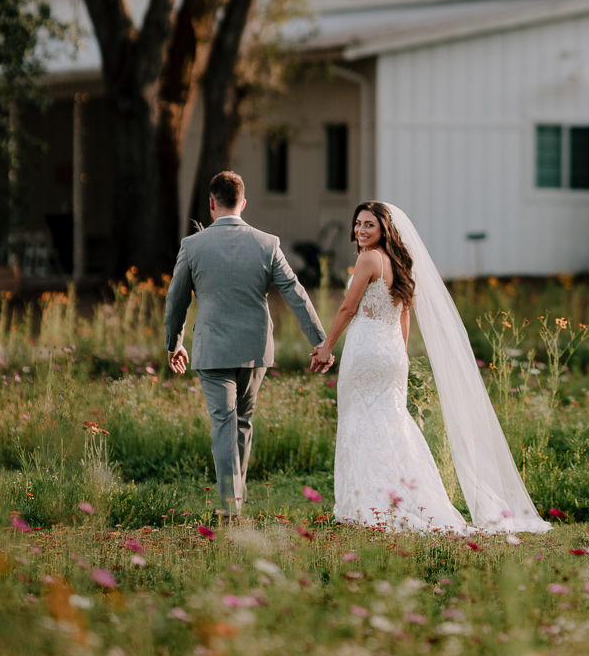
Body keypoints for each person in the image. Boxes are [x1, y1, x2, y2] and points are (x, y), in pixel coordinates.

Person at [311, 201, 548, 534]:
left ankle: (367, 501)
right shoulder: (399, 261)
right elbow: (404, 312)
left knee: (360, 422)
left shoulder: (368, 259)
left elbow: (348, 309)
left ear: (383, 230)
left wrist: (326, 347)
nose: (361, 231)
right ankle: (407, 498)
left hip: (366, 352)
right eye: (358, 224)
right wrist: (402, 354)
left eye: (369, 225)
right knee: (392, 426)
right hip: (391, 353)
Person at [164, 169, 325, 521]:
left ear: (211, 204)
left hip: (212, 350)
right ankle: (235, 501)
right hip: (255, 350)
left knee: (223, 422)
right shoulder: (268, 243)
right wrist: (319, 341)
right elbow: (295, 293)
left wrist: (174, 343)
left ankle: (229, 506)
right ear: (244, 203)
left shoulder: (192, 246)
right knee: (242, 422)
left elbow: (176, 300)